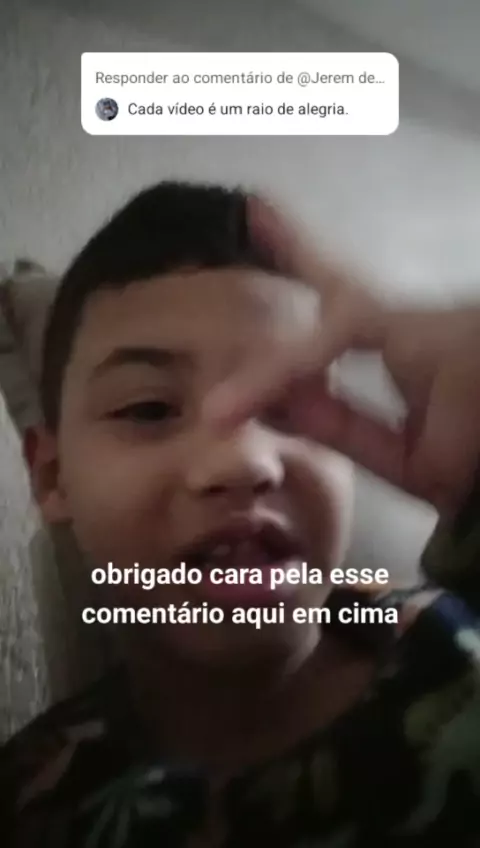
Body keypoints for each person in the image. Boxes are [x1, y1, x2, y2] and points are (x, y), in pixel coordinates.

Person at [1, 181, 480, 848]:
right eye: (149, 409)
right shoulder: (32, 798)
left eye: (287, 408)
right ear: (53, 476)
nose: (245, 461)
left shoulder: (451, 639)